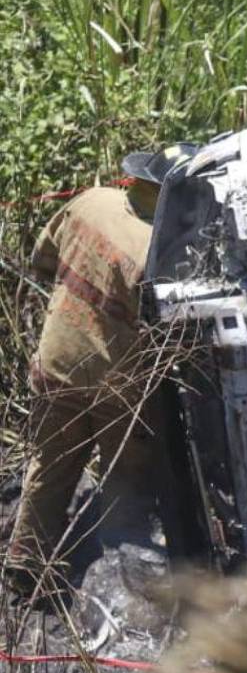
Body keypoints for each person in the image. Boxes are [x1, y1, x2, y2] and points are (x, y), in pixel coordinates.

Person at [4, 144, 195, 608]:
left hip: (55, 364)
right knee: (124, 482)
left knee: (49, 468)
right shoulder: (161, 252)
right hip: (117, 389)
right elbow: (176, 339)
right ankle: (116, 585)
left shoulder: (91, 202)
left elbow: (43, 259)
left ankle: (24, 567)